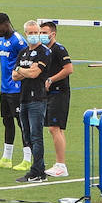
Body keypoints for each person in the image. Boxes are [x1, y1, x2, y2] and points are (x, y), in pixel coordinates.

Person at [0, 13, 33, 170]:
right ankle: (6, 158)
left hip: (16, 89)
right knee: (7, 121)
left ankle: (27, 159)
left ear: (6, 24)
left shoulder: (19, 41)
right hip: (4, 88)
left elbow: (27, 63)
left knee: (22, 123)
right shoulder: (0, 41)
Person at [13, 20, 53, 183]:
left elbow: (34, 73)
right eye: (30, 33)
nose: (33, 35)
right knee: (27, 136)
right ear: (26, 34)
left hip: (37, 98)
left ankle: (38, 171)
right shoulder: (23, 52)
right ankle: (38, 169)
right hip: (23, 98)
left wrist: (21, 70)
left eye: (36, 32)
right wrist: (25, 71)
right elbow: (14, 76)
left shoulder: (44, 52)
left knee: (36, 136)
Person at [41, 21, 74, 177]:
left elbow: (69, 69)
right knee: (56, 129)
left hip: (59, 93)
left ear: (52, 34)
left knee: (54, 128)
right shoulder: (43, 50)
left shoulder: (59, 49)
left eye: (44, 32)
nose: (41, 35)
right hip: (49, 94)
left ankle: (61, 165)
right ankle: (60, 164)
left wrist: (51, 79)